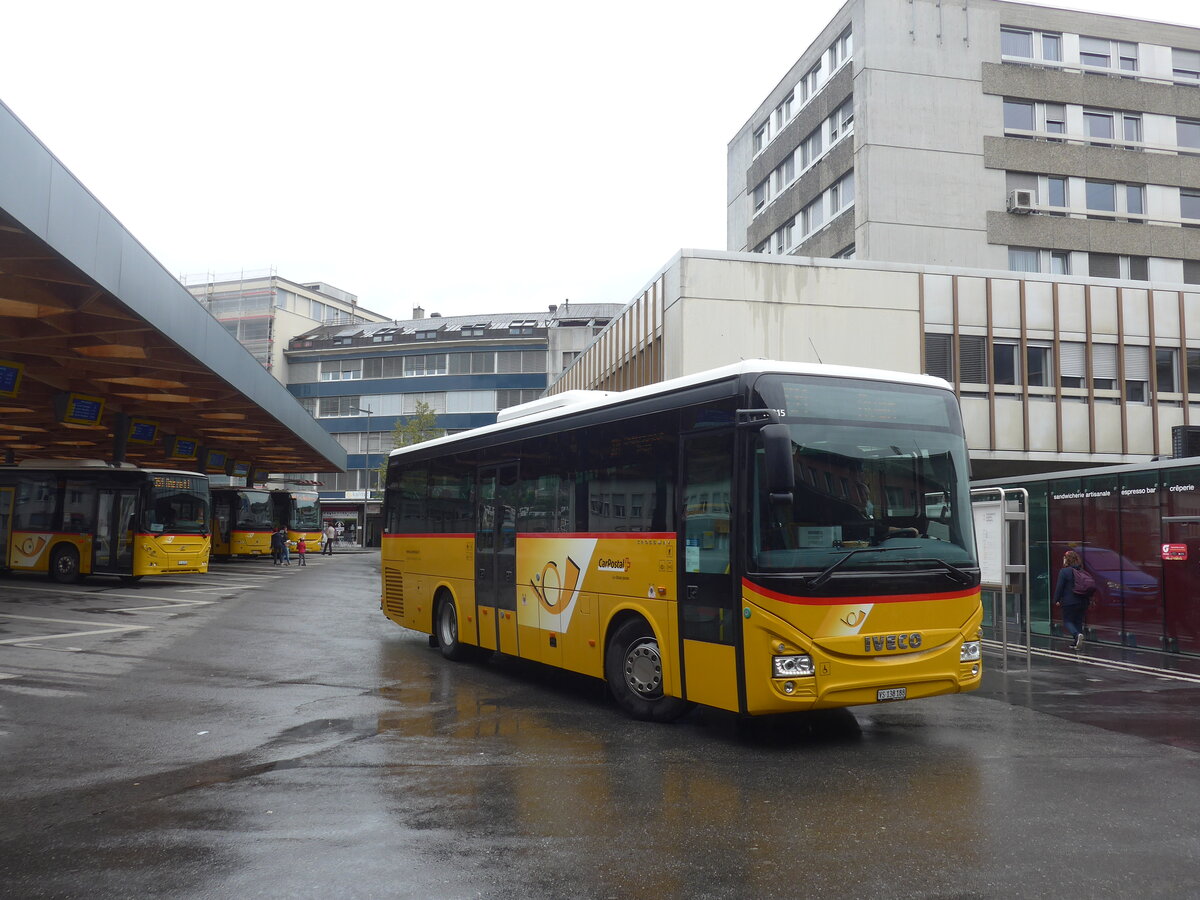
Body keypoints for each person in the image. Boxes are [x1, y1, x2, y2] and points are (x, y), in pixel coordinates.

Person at [1054, 549, 1090, 649]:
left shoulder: (1064, 571)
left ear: (1067, 560)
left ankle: (1076, 635)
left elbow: (1059, 587)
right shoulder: (1082, 571)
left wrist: (1056, 599)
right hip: (1082, 601)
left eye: (1064, 559)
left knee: (1067, 621)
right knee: (1078, 621)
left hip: (1069, 601)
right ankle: (1076, 642)